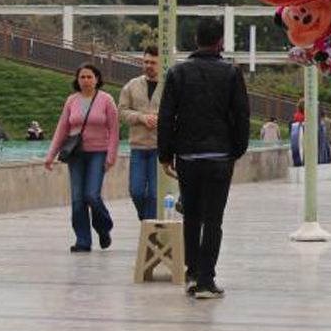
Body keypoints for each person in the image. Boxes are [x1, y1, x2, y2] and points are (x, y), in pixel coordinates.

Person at [158, 19, 250, 299]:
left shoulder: (178, 72)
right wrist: (236, 150)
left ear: (196, 39)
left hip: (187, 156)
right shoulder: (232, 73)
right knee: (213, 219)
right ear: (220, 41)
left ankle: (193, 272)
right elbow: (241, 116)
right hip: (219, 157)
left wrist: (165, 154)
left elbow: (166, 117)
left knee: (192, 216)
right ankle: (207, 280)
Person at [45, 63, 120, 252]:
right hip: (76, 155)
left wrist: (111, 156)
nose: (86, 80)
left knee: (92, 195)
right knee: (78, 199)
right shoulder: (71, 100)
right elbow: (62, 129)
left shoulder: (106, 100)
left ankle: (104, 227)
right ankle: (83, 240)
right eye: (82, 77)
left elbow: (114, 130)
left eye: (89, 77)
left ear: (97, 79)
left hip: (98, 153)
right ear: (77, 80)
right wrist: (51, 154)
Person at [119, 45, 162, 222]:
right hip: (138, 147)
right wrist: (141, 117)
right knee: (136, 191)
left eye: (153, 62)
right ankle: (145, 218)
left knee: (153, 193)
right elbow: (121, 111)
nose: (149, 65)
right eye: (146, 61)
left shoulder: (169, 84)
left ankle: (148, 228)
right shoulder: (132, 85)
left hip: (160, 147)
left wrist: (160, 119)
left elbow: (179, 112)